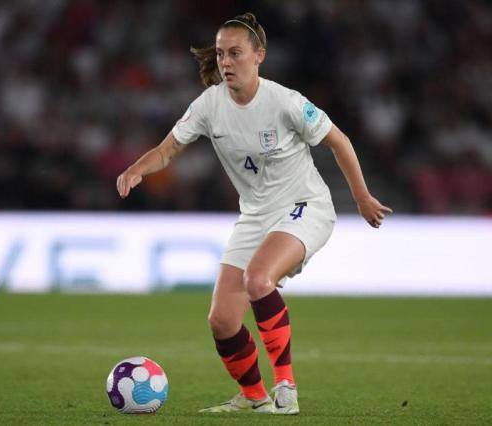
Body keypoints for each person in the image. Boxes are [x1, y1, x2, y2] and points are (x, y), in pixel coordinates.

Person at [116, 12, 392, 415]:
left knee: (259, 279)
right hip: (255, 217)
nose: (226, 62)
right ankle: (253, 397)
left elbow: (339, 141)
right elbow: (167, 150)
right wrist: (137, 169)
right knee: (222, 321)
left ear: (259, 55)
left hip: (305, 206)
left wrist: (362, 197)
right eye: (221, 54)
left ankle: (286, 388)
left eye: (236, 53)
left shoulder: (285, 102)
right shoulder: (209, 105)